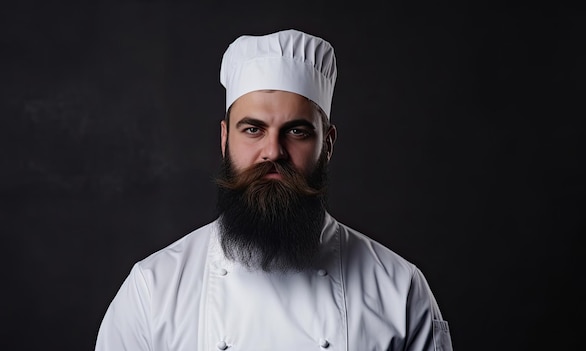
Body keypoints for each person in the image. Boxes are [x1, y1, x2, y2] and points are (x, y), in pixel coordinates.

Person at [95, 28, 453, 351]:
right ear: (224, 139)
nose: (273, 151)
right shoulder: (152, 291)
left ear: (327, 144)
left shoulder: (400, 290)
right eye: (253, 129)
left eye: (297, 131)